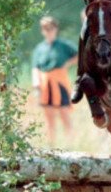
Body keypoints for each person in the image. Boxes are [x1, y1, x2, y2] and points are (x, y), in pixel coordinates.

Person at [32, 16, 78, 145]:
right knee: (49, 116)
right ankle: (50, 144)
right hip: (45, 84)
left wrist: (67, 64)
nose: (48, 31)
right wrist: (36, 84)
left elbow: (79, 55)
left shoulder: (63, 45)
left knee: (64, 114)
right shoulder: (39, 48)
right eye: (45, 28)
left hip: (59, 82)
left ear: (56, 29)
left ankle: (71, 143)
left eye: (51, 28)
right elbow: (35, 67)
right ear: (42, 30)